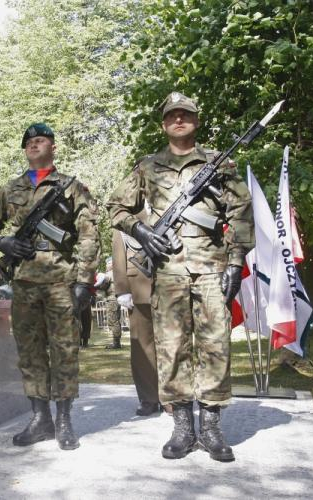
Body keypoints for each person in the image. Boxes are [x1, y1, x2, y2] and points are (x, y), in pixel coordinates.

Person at [107, 92, 254, 462]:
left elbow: (240, 211)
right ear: (164, 123)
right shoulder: (148, 166)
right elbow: (116, 207)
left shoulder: (219, 164)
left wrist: (236, 262)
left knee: (216, 346)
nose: (178, 119)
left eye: (185, 114)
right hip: (167, 271)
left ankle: (211, 428)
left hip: (211, 269)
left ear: (195, 120)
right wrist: (141, 232)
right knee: (172, 348)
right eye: (171, 115)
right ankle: (183, 428)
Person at [0, 123, 100, 450]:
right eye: (29, 142)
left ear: (53, 147)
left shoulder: (72, 187)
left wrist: (85, 281)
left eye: (41, 140)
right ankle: (39, 418)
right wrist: (2, 241)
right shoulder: (10, 189)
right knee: (29, 351)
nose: (34, 144)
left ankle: (63, 419)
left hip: (61, 278)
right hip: (24, 281)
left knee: (64, 348)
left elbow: (89, 235)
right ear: (25, 149)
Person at [112, 226, 161, 416]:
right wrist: (121, 288)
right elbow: (118, 253)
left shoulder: (167, 201)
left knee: (173, 344)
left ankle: (172, 396)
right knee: (142, 346)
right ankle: (149, 397)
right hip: (138, 286)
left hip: (169, 285)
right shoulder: (127, 210)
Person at [95, 257, 122, 349]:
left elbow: (102, 286)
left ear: (112, 264)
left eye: (108, 263)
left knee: (113, 321)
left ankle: (116, 343)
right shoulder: (118, 273)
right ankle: (116, 341)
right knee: (116, 320)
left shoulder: (109, 274)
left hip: (112, 299)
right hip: (116, 298)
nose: (107, 265)